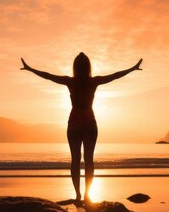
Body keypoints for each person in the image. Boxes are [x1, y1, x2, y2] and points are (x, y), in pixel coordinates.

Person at [21, 52, 142, 202]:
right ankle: (86, 195)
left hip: (74, 124)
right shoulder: (93, 81)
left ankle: (78, 194)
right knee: (89, 160)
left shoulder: (70, 81)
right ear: (88, 67)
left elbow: (48, 76)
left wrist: (30, 69)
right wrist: (132, 68)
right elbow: (115, 75)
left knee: (75, 160)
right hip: (89, 123)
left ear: (75, 67)